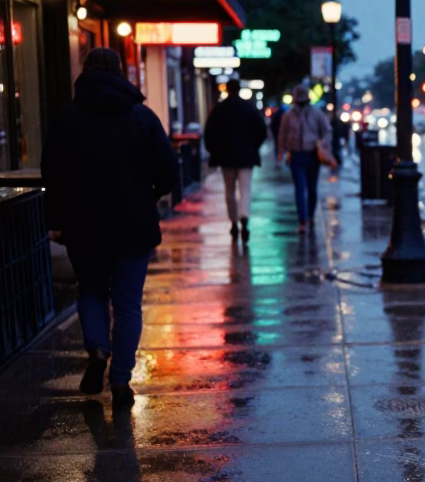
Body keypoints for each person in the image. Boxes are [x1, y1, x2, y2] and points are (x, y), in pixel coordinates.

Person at [41, 48, 179, 409]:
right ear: (121, 73)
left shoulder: (66, 118)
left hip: (82, 223)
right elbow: (168, 170)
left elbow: (52, 174)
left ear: (84, 72)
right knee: (128, 304)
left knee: (91, 291)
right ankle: (120, 381)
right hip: (133, 222)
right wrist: (151, 194)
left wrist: (56, 221)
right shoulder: (141, 115)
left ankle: (98, 348)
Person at [203, 78, 268, 242]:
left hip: (226, 157)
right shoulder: (249, 108)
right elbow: (262, 130)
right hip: (246, 156)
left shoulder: (219, 109)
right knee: (245, 189)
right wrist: (254, 147)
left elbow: (209, 133)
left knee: (229, 191)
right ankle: (244, 216)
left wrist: (215, 151)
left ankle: (233, 222)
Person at [278, 83, 331, 231]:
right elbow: (282, 135)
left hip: (313, 154)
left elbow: (326, 131)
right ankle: (302, 219)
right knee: (299, 188)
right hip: (296, 155)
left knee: (312, 188)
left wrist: (323, 144)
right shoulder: (288, 115)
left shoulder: (316, 114)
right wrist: (281, 152)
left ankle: (310, 216)